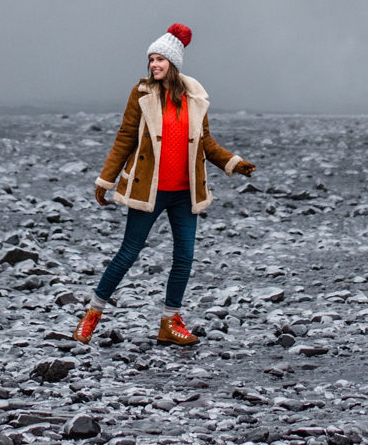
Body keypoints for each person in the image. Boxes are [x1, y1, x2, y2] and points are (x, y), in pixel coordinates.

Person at [74, 22, 255, 347]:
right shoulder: (141, 94)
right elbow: (125, 137)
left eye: (160, 59)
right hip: (149, 190)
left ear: (173, 63)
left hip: (185, 193)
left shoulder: (194, 97)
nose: (154, 65)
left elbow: (205, 141)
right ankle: (92, 315)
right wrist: (106, 179)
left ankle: (169, 323)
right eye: (151, 60)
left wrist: (233, 163)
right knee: (128, 254)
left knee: (184, 257)